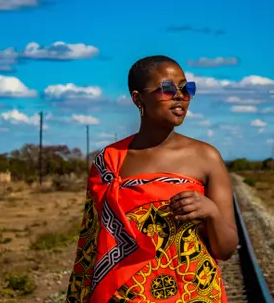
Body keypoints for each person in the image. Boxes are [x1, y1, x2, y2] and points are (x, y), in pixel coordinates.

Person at [66, 55, 238, 303]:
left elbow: (226, 249)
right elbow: (91, 246)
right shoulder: (109, 162)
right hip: (125, 296)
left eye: (186, 88)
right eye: (167, 88)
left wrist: (210, 211)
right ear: (138, 99)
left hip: (193, 295)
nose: (180, 96)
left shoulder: (206, 157)